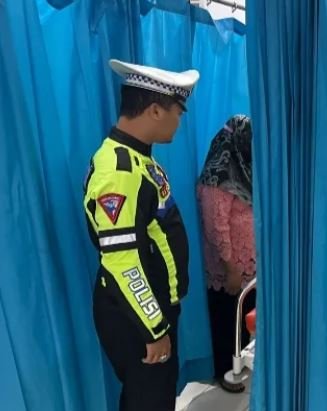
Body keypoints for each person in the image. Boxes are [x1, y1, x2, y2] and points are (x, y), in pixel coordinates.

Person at [83, 59, 199, 411]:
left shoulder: (138, 159)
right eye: (178, 112)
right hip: (134, 314)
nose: (179, 121)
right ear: (155, 111)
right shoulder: (118, 172)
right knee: (148, 401)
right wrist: (154, 328)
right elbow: (123, 262)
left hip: (151, 306)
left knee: (151, 397)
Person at [197, 115, 256, 392]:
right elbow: (215, 225)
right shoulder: (217, 177)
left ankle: (241, 365)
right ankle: (226, 371)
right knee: (227, 320)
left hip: (250, 265)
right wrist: (231, 268)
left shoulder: (244, 169)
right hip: (229, 267)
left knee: (243, 319)